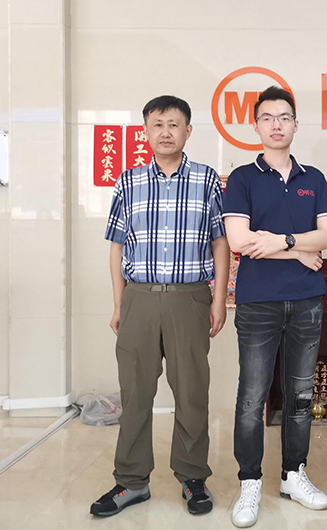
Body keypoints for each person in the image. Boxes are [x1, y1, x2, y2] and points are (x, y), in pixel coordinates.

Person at [91, 95, 229, 517]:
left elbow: (220, 242)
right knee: (135, 393)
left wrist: (218, 299)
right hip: (140, 297)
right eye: (157, 124)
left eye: (174, 124)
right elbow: (117, 247)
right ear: (145, 131)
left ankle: (193, 478)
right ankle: (131, 482)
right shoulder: (129, 181)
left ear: (188, 131)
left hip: (191, 298)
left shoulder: (206, 179)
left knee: (191, 392)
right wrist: (120, 303)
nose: (165, 132)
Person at [222, 86, 327, 528]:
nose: (276, 124)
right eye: (267, 117)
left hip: (306, 302)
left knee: (301, 396)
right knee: (252, 397)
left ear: (295, 124)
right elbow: (239, 241)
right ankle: (250, 481)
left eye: (284, 117)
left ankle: (293, 475)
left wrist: (281, 241)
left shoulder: (314, 179)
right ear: (256, 125)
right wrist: (298, 252)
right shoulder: (242, 179)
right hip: (258, 304)